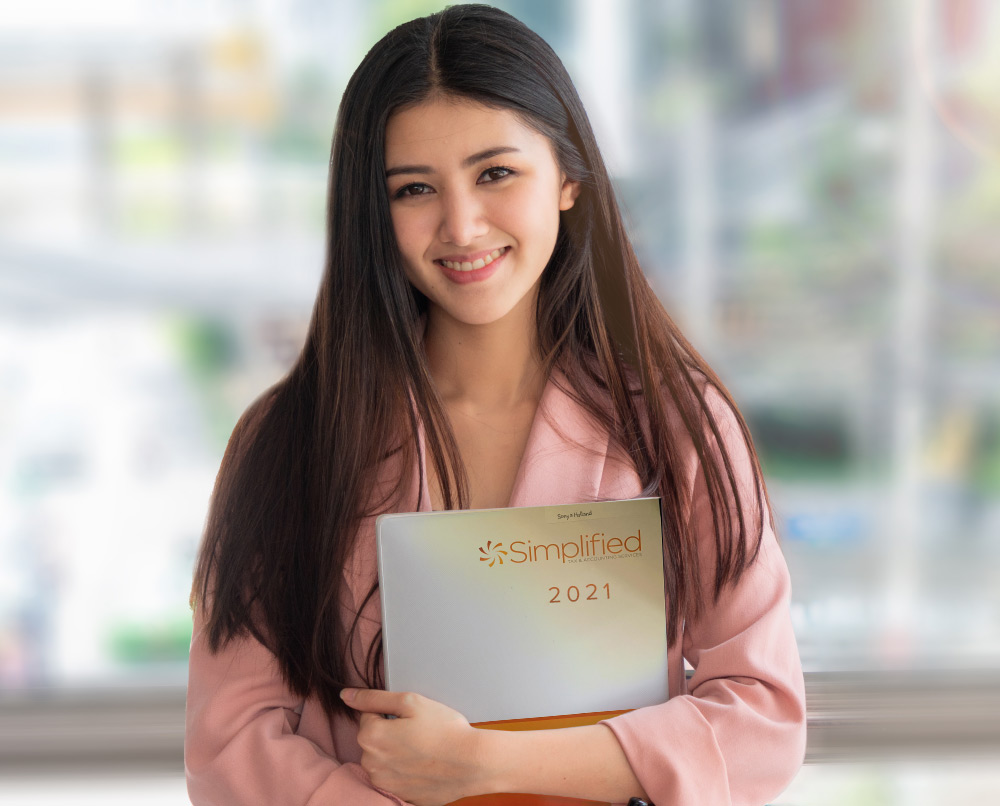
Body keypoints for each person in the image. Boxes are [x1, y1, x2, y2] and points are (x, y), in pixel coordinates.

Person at [185, 4, 807, 805]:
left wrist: (490, 769)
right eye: (414, 188)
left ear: (569, 177)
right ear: (373, 215)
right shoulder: (288, 440)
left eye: (495, 173)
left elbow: (763, 718)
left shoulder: (679, 426)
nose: (461, 224)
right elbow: (229, 739)